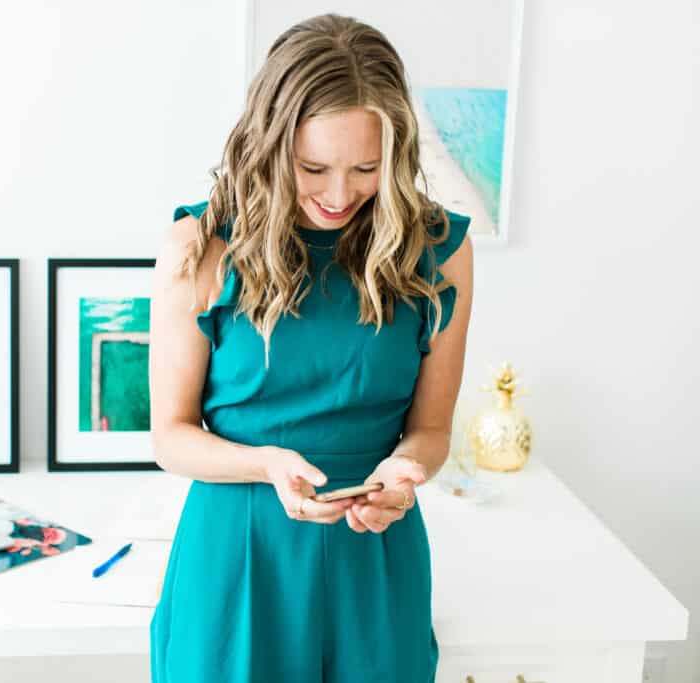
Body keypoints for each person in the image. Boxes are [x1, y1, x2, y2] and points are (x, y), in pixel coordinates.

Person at [148, 13, 473, 683]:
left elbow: (431, 431)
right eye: (312, 166)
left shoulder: (441, 252)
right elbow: (170, 434)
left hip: (375, 559)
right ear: (271, 145)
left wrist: (404, 474)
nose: (338, 193)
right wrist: (264, 463)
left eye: (365, 167)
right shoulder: (200, 246)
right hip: (238, 557)